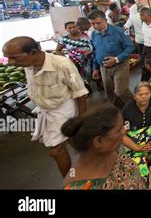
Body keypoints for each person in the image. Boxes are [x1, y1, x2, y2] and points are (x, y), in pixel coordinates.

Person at [2, 37, 88, 177]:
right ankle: (87, 161)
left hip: (63, 109)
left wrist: (81, 119)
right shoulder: (27, 65)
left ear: (33, 52)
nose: (11, 63)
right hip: (45, 110)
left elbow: (80, 92)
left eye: (14, 58)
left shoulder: (62, 65)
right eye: (8, 58)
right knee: (73, 139)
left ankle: (69, 181)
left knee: (57, 150)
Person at [62, 106, 147, 190]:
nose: (124, 130)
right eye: (119, 130)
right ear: (98, 141)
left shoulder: (115, 148)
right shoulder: (78, 187)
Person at [88, 10, 134, 108]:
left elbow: (130, 47)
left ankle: (136, 106)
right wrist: (95, 68)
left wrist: (117, 59)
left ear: (105, 20)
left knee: (121, 91)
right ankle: (121, 110)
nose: (96, 26)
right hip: (103, 68)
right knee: (110, 94)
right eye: (92, 24)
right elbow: (96, 52)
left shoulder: (118, 31)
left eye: (98, 23)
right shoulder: (93, 34)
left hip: (120, 66)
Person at [54, 21, 93, 90]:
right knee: (74, 76)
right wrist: (65, 60)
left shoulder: (86, 35)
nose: (72, 29)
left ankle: (96, 85)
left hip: (89, 58)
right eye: (70, 28)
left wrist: (90, 51)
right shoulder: (64, 39)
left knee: (91, 73)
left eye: (74, 27)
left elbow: (94, 46)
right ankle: (82, 89)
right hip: (73, 61)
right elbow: (57, 50)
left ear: (77, 27)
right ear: (66, 29)